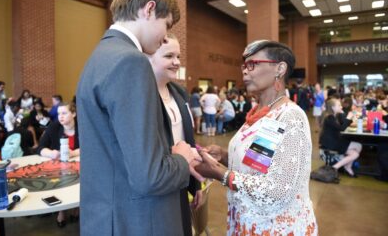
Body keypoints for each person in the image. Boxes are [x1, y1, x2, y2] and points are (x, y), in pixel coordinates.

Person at [76, 0, 202, 235]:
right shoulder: (131, 62)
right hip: (137, 220)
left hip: (109, 215)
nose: (164, 36)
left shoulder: (99, 56)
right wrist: (182, 157)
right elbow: (150, 176)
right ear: (149, 9)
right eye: (166, 25)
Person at [195, 40, 317, 235]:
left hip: (275, 227)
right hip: (246, 221)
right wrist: (225, 156)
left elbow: (277, 189)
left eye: (252, 64)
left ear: (280, 68)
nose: (244, 71)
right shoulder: (260, 112)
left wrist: (220, 173)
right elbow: (259, 162)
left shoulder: (290, 117)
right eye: (244, 65)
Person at [148, 33, 203, 236]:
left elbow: (188, 141)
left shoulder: (179, 94)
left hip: (181, 176)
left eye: (178, 57)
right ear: (149, 57)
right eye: (169, 56)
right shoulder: (144, 96)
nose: (176, 62)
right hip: (160, 180)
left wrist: (196, 184)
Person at [37, 102, 80, 227]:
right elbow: (39, 148)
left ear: (74, 114)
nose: (60, 116)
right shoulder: (54, 126)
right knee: (61, 181)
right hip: (59, 166)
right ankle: (61, 210)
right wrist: (51, 153)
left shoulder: (82, 126)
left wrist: (74, 153)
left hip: (80, 165)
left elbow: (91, 145)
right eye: (59, 114)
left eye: (64, 113)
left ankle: (76, 207)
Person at [319, 98, 362, 177]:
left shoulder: (335, 116)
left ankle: (346, 166)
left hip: (335, 141)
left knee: (356, 150)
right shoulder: (329, 117)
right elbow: (342, 128)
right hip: (331, 144)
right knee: (357, 150)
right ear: (333, 108)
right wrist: (348, 117)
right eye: (339, 105)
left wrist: (349, 116)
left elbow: (345, 124)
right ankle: (336, 167)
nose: (341, 106)